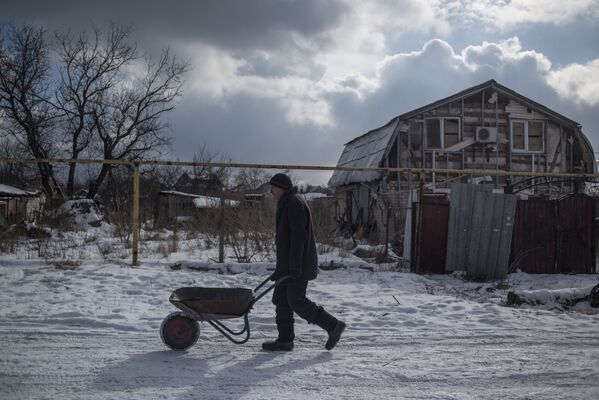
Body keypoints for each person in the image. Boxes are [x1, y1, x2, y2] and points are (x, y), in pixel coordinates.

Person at [262, 173, 345, 351]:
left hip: (298, 265)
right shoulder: (287, 202)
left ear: (281, 187)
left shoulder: (294, 204)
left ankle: (333, 326)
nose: (271, 191)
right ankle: (285, 340)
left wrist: (294, 267)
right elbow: (287, 240)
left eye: (273, 187)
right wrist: (281, 268)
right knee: (281, 300)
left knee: (296, 301)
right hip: (289, 265)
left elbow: (299, 238)